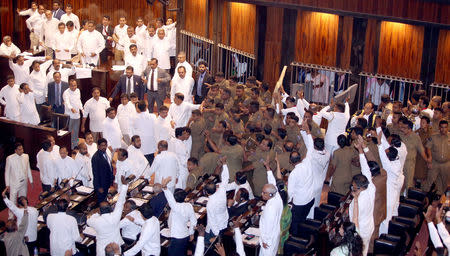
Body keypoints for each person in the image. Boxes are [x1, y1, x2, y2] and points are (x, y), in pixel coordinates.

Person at [87, 177, 129, 256]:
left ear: (100, 210)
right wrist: (124, 186)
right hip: (115, 249)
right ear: (110, 209)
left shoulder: (95, 221)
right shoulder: (115, 216)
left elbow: (88, 220)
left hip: (101, 250)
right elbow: (120, 202)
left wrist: (96, 214)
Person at [350, 143, 376, 256]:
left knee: (358, 252)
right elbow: (366, 169)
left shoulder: (359, 201)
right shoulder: (370, 187)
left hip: (361, 230)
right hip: (369, 225)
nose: (352, 188)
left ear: (358, 187)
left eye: (353, 186)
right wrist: (360, 150)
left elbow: (354, 220)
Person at [162, 177, 197, 255]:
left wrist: (165, 188)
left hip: (177, 238)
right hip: (186, 235)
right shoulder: (189, 206)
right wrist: (191, 233)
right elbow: (194, 221)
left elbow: (170, 199)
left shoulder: (175, 207)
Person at [2, 187, 38, 256]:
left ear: (19, 205)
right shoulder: (35, 210)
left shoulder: (20, 212)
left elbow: (11, 206)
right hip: (34, 237)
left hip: (24, 240)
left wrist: (5, 198)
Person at [287, 149, 314, 237]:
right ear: (301, 158)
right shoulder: (308, 163)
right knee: (302, 220)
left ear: (290, 161)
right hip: (310, 199)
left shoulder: (293, 174)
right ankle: (303, 236)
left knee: (294, 224)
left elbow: (290, 193)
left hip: (300, 204)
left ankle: (296, 240)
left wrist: (285, 203)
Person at [204, 157, 230, 244]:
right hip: (224, 221)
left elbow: (212, 220)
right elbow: (225, 178)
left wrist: (216, 236)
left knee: (209, 246)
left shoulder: (210, 204)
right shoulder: (222, 190)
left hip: (215, 229)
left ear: (206, 192)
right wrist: (224, 164)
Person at [259, 166, 284, 256]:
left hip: (269, 240)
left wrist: (265, 241)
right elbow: (272, 182)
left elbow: (268, 227)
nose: (262, 194)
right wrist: (268, 168)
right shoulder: (276, 196)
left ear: (270, 194)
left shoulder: (270, 209)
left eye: (264, 193)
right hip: (275, 233)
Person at [5, 142, 33, 215]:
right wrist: (7, 185)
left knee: (23, 199)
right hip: (14, 183)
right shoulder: (10, 158)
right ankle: (10, 217)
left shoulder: (26, 156)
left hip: (24, 182)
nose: (21, 151)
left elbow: (28, 168)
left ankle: (23, 213)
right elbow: (7, 172)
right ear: (15, 150)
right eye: (19, 149)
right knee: (12, 201)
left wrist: (31, 180)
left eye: (22, 149)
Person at [423, 120, 449, 195]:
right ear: (439, 128)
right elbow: (428, 147)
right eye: (442, 127)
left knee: (445, 182)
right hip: (435, 162)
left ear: (447, 128)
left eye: (445, 127)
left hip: (446, 164)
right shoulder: (433, 136)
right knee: (430, 181)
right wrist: (430, 159)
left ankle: (441, 198)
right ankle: (424, 198)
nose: (443, 129)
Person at [130, 100, 157, 165]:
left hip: (141, 143)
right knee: (150, 162)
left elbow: (133, 130)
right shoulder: (153, 116)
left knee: (142, 163)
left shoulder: (135, 118)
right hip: (151, 143)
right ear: (146, 107)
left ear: (138, 109)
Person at [91, 138, 114, 203]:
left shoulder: (106, 153)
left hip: (107, 183)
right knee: (102, 203)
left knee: (108, 201)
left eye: (105, 145)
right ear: (98, 146)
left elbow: (109, 167)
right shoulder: (95, 157)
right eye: (102, 145)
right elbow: (95, 173)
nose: (104, 147)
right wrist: (99, 187)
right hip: (101, 185)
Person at [63, 79, 83, 149]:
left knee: (76, 130)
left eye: (75, 85)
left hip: (77, 114)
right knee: (69, 131)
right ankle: (69, 146)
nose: (74, 87)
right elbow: (67, 102)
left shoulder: (78, 90)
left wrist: (81, 108)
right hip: (69, 115)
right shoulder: (66, 92)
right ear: (69, 86)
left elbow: (79, 100)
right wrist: (71, 108)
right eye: (72, 86)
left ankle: (75, 144)